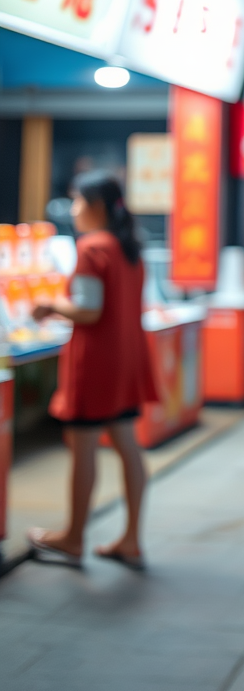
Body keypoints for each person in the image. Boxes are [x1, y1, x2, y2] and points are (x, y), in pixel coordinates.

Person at [27, 172, 156, 570]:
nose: (75, 210)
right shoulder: (127, 247)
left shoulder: (92, 248)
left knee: (81, 447)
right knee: (127, 446)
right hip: (126, 362)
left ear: (97, 206)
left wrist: (50, 306)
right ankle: (132, 537)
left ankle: (72, 536)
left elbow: (88, 310)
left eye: (78, 202)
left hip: (95, 364)